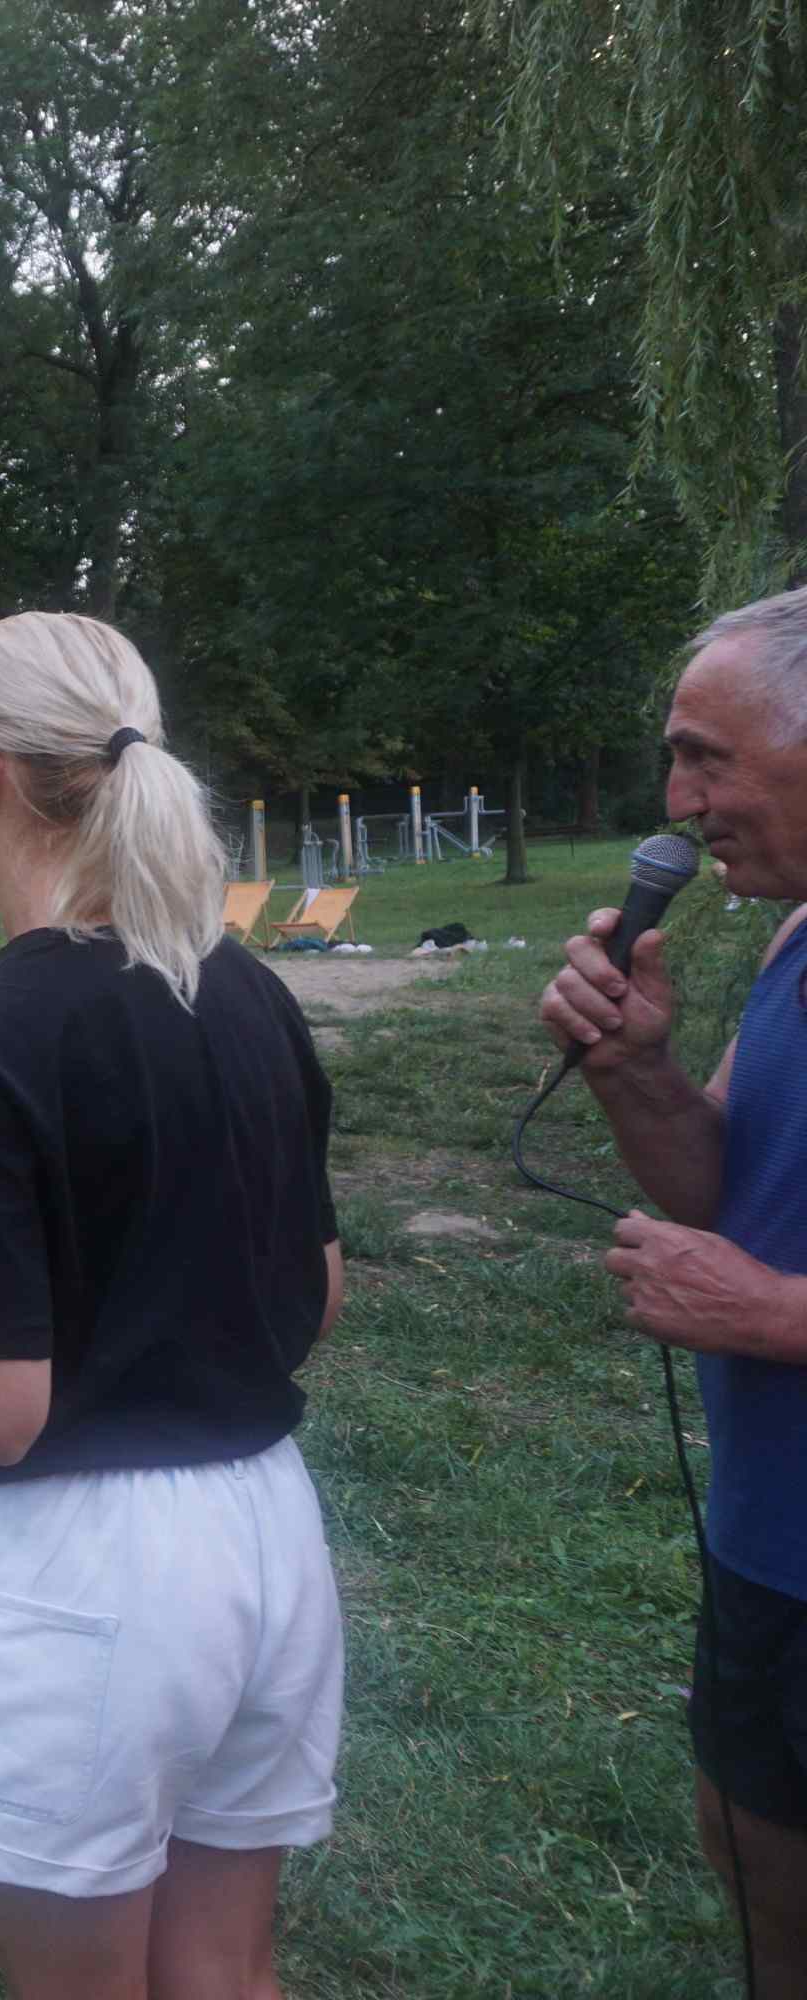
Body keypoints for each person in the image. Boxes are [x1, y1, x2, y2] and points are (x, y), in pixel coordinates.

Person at [0, 613, 345, 1998]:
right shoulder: (251, 994)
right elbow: (312, 1297)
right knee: (225, 1970)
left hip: (86, 1578)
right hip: (267, 1538)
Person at [539, 581, 807, 1990]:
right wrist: (636, 1070)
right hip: (771, 1535)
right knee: (752, 1846)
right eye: (674, 756)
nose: (680, 797)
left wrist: (772, 1316)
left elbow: (758, 1270)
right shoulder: (790, 943)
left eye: (710, 753)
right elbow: (718, 1191)